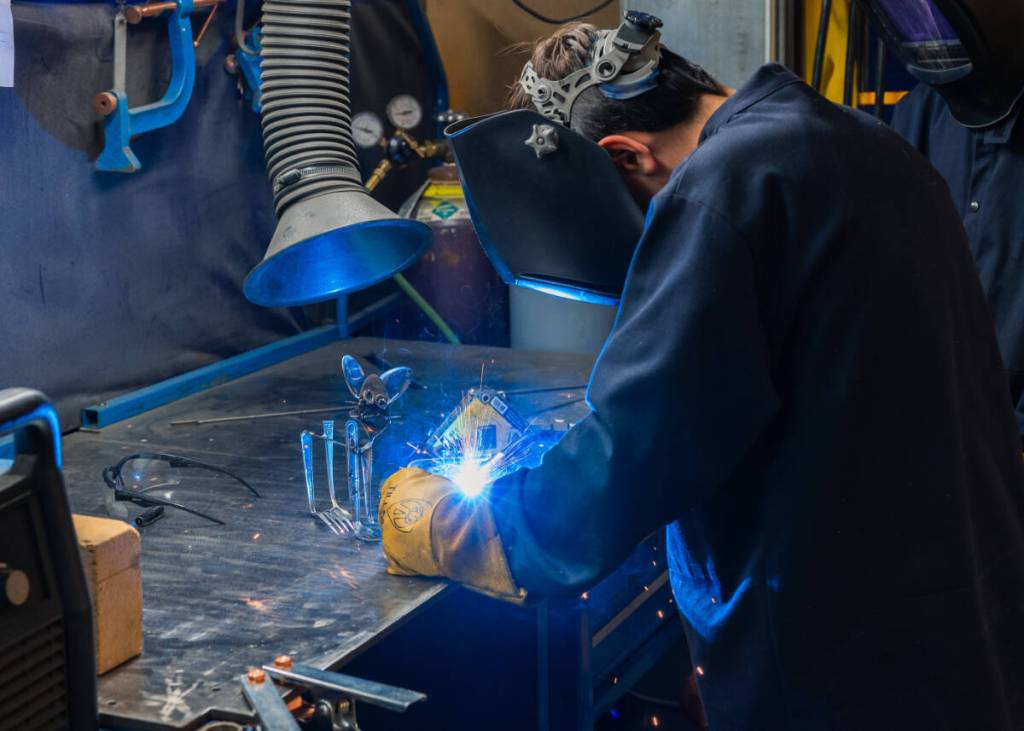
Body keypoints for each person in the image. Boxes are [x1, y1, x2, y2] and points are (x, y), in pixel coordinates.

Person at [378, 14, 1024, 729]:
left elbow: (633, 449)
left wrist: (467, 527)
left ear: (627, 156)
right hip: (955, 634)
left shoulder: (724, 189)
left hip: (840, 674)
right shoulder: (853, 141)